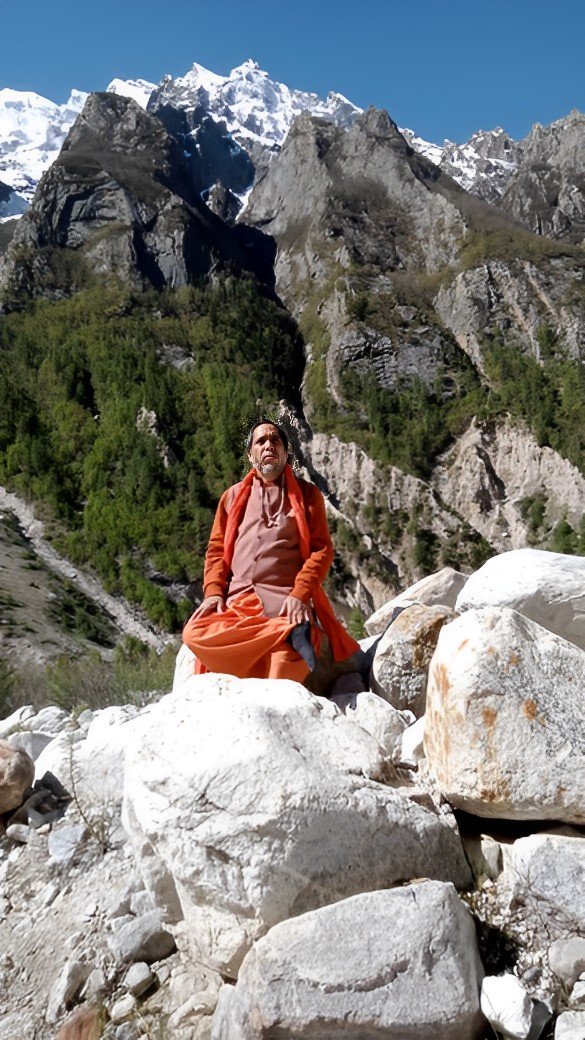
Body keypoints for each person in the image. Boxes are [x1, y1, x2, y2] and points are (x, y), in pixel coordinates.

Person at [182, 419, 359, 683]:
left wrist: (300, 594)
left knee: (283, 673)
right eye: (261, 441)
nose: (268, 445)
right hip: (239, 604)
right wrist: (213, 592)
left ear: (286, 453)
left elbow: (321, 550)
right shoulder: (232, 497)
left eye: (275, 440)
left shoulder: (307, 494)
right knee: (193, 633)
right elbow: (216, 551)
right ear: (250, 455)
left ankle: (289, 631)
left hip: (284, 601)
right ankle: (287, 632)